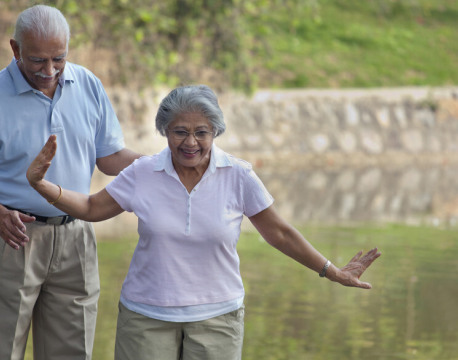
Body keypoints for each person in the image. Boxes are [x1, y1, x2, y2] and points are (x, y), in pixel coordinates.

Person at [27, 84, 381, 360]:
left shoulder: (238, 175)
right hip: (146, 316)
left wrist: (332, 270)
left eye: (202, 132)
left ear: (216, 132)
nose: (191, 142)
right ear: (165, 131)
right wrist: (43, 186)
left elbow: (280, 233)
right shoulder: (143, 172)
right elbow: (90, 207)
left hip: (218, 319)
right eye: (180, 131)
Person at [0, 5, 141, 360]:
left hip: (76, 237)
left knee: (72, 353)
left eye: (58, 59)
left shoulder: (89, 85)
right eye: (37, 60)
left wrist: (159, 164)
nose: (48, 71)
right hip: (11, 237)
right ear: (15, 48)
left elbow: (110, 157)